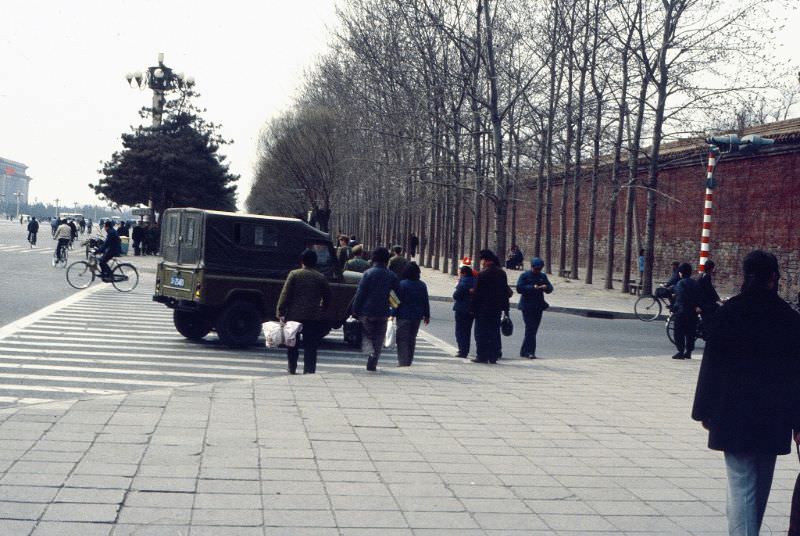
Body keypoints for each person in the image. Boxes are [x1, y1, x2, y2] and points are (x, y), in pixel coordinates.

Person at [692, 250, 800, 535]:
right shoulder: (789, 319)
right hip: (773, 417)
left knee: (741, 486)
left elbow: (711, 365)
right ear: (773, 278)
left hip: (733, 414)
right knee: (759, 486)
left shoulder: (730, 313)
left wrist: (703, 410)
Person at [276, 249, 332, 375]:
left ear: (302, 261)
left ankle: (292, 368)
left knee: (292, 344)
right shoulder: (320, 277)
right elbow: (328, 296)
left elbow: (285, 294)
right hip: (312, 316)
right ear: (315, 262)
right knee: (311, 346)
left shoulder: (294, 274)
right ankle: (309, 370)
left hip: (294, 315)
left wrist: (281, 311)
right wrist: (322, 309)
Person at [352, 247, 399, 371]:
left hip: (366, 311)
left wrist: (355, 310)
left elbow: (360, 294)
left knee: (367, 335)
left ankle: (370, 352)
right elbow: (396, 295)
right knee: (379, 338)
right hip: (383, 312)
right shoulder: (392, 275)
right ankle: (373, 362)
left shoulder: (368, 273)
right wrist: (393, 309)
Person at [470, 249, 510, 364]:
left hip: (483, 309)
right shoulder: (502, 273)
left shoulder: (483, 274)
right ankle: (493, 356)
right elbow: (504, 293)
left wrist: (472, 308)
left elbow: (477, 293)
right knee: (493, 332)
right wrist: (506, 309)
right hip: (496, 308)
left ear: (486, 261)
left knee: (481, 333)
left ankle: (481, 355)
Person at [392, 263, 430, 367]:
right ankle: (409, 361)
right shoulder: (422, 285)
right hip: (417, 316)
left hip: (403, 315)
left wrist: (392, 314)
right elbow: (425, 301)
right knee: (412, 339)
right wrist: (427, 315)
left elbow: (397, 301)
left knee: (402, 339)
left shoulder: (402, 284)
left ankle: (403, 362)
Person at [516, 257, 553, 359]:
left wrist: (546, 287)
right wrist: (533, 287)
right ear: (532, 267)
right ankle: (530, 351)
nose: (537, 271)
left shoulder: (542, 276)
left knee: (533, 330)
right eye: (536, 269)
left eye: (539, 269)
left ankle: (524, 350)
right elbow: (519, 288)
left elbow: (550, 288)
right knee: (530, 328)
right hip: (527, 306)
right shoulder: (525, 276)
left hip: (538, 306)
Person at [671, 262, 700, 359]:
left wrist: (674, 308)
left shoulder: (681, 283)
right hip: (693, 312)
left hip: (682, 311)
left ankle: (680, 350)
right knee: (690, 332)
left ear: (681, 273)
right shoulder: (695, 283)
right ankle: (689, 351)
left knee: (679, 332)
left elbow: (680, 298)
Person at [453, 265, 476, 358]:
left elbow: (456, 295)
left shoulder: (463, 282)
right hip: (472, 308)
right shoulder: (475, 280)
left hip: (461, 308)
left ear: (463, 273)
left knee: (460, 330)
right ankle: (465, 349)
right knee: (467, 330)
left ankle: (462, 350)